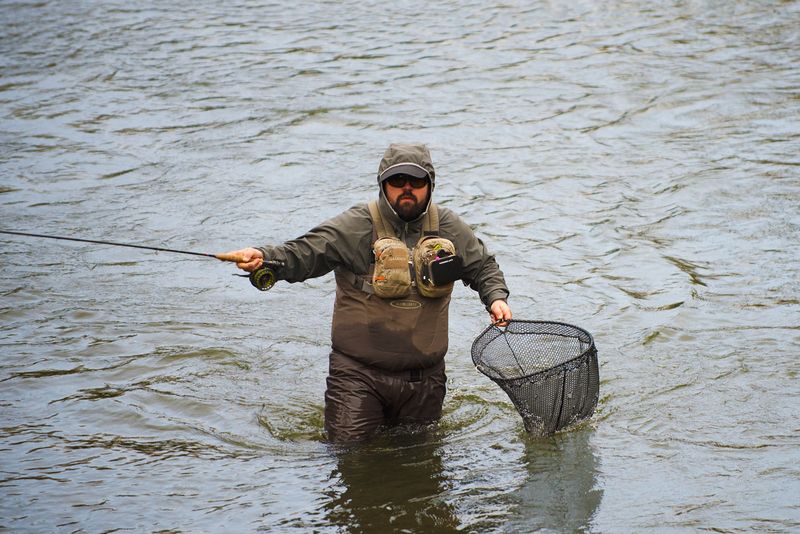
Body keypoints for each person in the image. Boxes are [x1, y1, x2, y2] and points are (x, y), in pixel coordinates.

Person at [224, 143, 512, 442]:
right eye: (397, 182)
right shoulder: (356, 225)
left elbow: (483, 267)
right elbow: (303, 253)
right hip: (358, 377)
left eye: (416, 182)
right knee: (349, 456)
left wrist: (496, 298)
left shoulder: (449, 227)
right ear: (383, 185)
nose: (407, 189)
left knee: (420, 466)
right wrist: (262, 256)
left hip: (426, 380)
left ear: (430, 184)